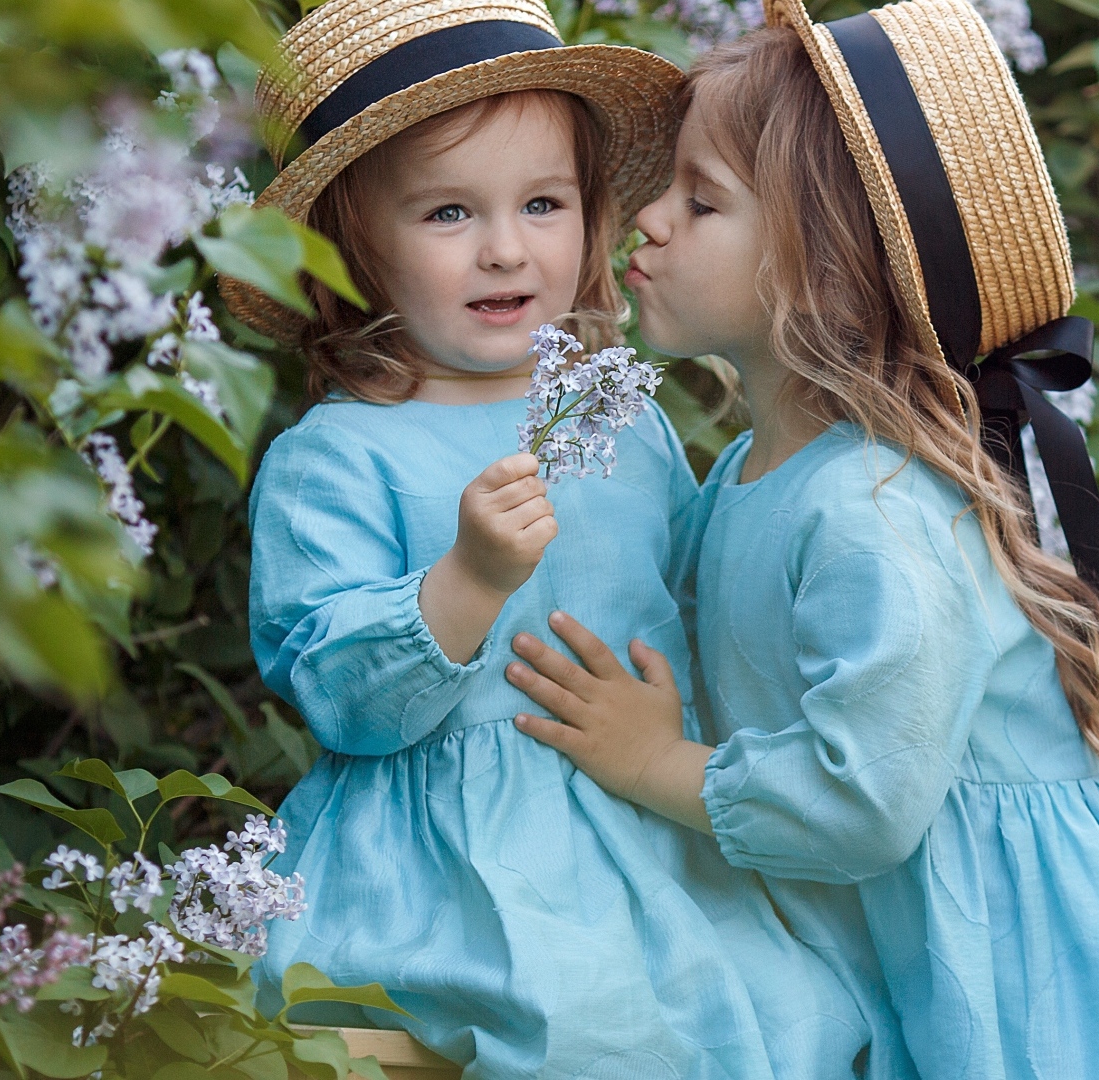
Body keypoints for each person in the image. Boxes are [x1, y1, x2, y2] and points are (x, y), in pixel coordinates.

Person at [504, 4, 1099, 1077]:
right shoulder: (751, 476)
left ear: (826, 269)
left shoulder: (871, 509)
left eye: (702, 199)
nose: (648, 218)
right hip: (919, 940)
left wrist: (651, 760)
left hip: (1031, 982)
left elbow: (864, 801)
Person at [227, 0, 869, 1075]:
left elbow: (696, 606)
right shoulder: (336, 455)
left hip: (643, 824)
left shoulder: (624, 422)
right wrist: (468, 579)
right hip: (446, 865)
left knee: (790, 1020)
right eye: (447, 213)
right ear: (348, 250)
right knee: (582, 1031)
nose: (505, 249)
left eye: (542, 203)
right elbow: (340, 698)